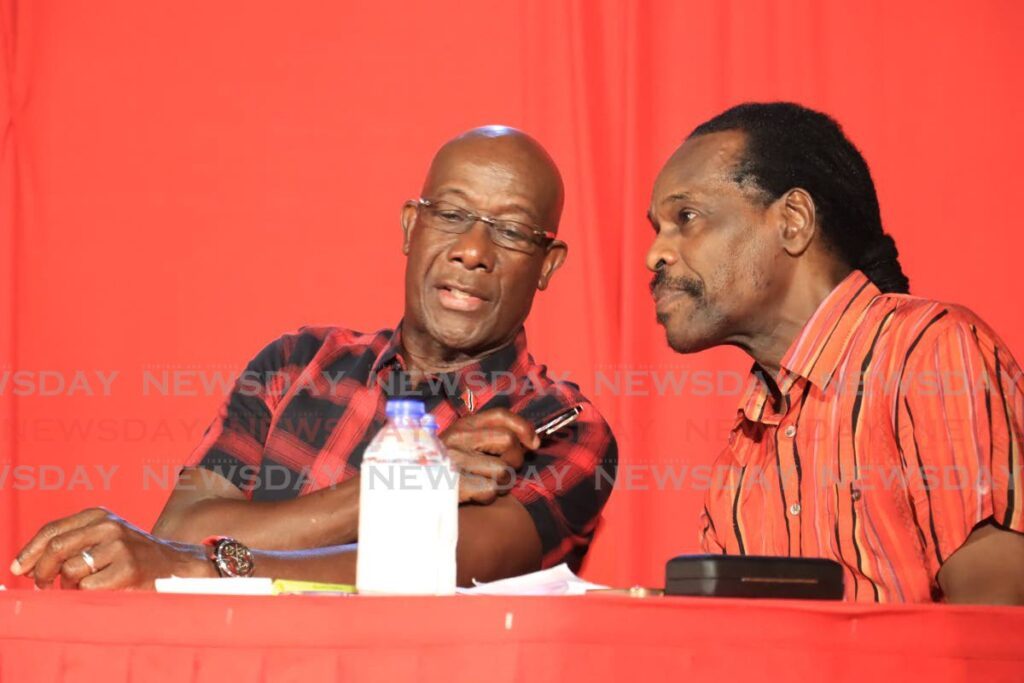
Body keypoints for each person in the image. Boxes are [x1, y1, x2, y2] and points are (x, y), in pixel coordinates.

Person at [10, 126, 618, 589]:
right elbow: (181, 530)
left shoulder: (558, 427)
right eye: (452, 215)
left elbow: (438, 570)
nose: (473, 251)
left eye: (510, 232)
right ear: (411, 228)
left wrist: (211, 566)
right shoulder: (296, 362)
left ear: (549, 265)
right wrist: (408, 483)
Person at [646, 102, 1024, 604]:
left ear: (793, 221)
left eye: (685, 218)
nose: (655, 255)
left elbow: (994, 630)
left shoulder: (929, 350)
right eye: (658, 229)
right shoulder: (744, 450)